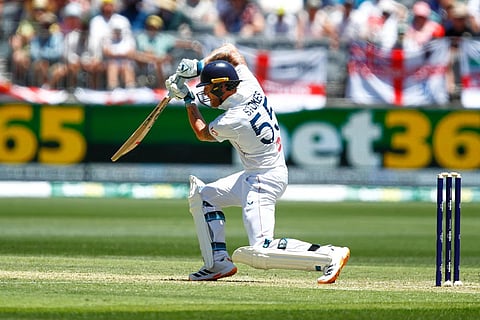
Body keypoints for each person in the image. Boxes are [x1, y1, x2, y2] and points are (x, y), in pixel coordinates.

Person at [165, 43, 350, 283]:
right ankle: (217, 263)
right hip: (257, 173)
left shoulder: (234, 119)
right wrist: (200, 66)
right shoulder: (250, 85)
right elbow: (231, 50)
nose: (206, 95)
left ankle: (329, 255)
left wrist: (188, 99)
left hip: (264, 180)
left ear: (223, 87)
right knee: (203, 196)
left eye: (209, 89)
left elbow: (201, 132)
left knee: (261, 250)